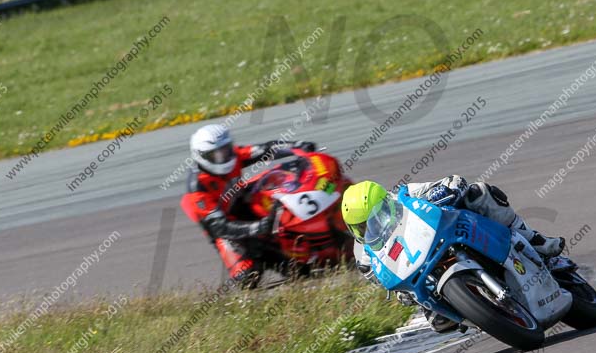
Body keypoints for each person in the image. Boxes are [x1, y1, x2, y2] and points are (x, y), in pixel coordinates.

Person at [340, 176, 565, 333]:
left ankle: (535, 240)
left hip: (446, 234)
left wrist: (447, 189)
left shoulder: (406, 194)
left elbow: (453, 182)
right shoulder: (363, 256)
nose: (369, 229)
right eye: (360, 228)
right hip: (420, 272)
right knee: (438, 322)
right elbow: (382, 280)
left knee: (478, 193)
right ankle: (463, 308)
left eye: (374, 218)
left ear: (386, 202)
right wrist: (403, 294)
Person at [180, 124, 316, 287]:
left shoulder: (233, 155)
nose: (224, 157)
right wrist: (257, 228)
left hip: (242, 203)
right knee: (248, 277)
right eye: (216, 155)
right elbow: (220, 228)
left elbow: (264, 149)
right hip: (226, 229)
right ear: (202, 156)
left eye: (226, 150)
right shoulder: (198, 189)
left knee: (279, 197)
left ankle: (307, 228)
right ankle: (266, 253)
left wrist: (296, 146)